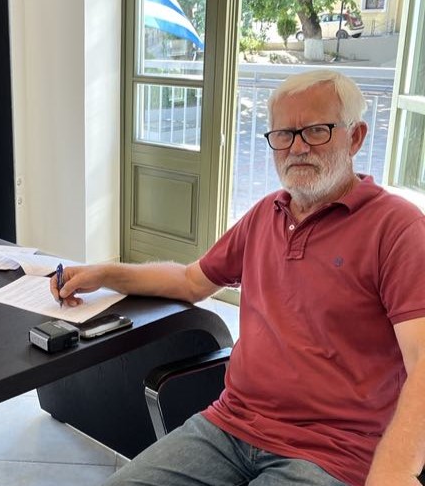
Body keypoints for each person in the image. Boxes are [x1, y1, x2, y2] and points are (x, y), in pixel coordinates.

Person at [51, 70, 425, 486]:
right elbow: (191, 281)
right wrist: (105, 273)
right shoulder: (267, 214)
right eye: (284, 134)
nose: (297, 147)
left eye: (317, 131)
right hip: (231, 425)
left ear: (355, 137)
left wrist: (396, 469)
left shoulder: (397, 228)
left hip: (333, 451)